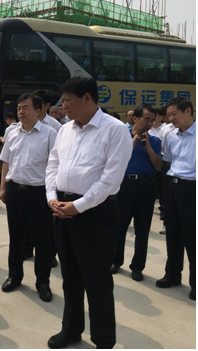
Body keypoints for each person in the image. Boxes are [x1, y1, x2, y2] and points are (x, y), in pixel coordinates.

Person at [45, 77, 132, 349]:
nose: (63, 106)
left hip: (95, 213)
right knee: (69, 275)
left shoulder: (115, 130)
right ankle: (71, 329)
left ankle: (103, 339)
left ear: (87, 98)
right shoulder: (64, 130)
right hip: (62, 209)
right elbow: (52, 165)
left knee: (97, 280)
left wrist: (78, 206)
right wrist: (52, 198)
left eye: (68, 100)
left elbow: (110, 180)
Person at [0, 93, 57, 302]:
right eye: (19, 108)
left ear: (38, 110)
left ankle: (43, 282)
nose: (21, 112)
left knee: (43, 240)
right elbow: (6, 162)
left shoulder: (50, 134)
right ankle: (14, 276)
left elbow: (55, 165)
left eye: (25, 108)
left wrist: (53, 195)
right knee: (16, 237)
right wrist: (3, 188)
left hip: (39, 193)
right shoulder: (12, 133)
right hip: (15, 191)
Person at [111, 105, 162, 282]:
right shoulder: (122, 137)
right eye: (146, 119)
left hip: (145, 185)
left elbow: (158, 166)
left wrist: (148, 147)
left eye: (152, 120)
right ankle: (115, 260)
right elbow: (115, 161)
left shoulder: (155, 141)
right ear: (135, 119)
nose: (149, 123)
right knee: (119, 226)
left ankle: (137, 267)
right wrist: (131, 144)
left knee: (142, 229)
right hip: (124, 184)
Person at [156, 97, 195, 301]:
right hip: (172, 186)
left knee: (192, 236)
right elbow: (168, 161)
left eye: (174, 114)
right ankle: (172, 274)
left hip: (192, 188)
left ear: (188, 111)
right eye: (168, 115)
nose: (170, 119)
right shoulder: (171, 135)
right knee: (173, 233)